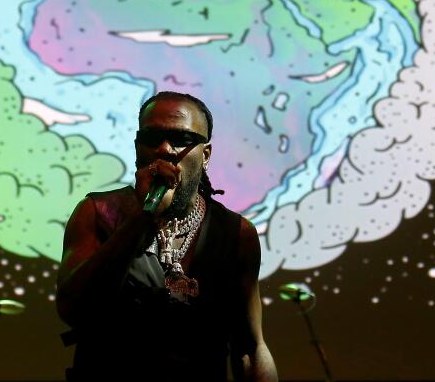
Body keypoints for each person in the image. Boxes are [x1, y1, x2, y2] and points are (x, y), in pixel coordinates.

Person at [56, 91, 277, 381]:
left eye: (181, 140)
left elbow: (249, 347)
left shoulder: (236, 233)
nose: (165, 149)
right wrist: (143, 218)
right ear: (138, 147)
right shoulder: (98, 211)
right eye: (152, 138)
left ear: (205, 154)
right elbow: (73, 309)